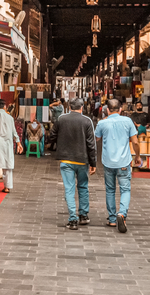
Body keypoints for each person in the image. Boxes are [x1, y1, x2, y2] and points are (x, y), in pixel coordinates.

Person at [94, 98, 141, 233]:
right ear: (120, 109)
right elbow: (135, 142)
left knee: (110, 190)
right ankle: (122, 213)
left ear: (107, 110)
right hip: (124, 162)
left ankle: (112, 219)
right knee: (125, 189)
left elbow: (96, 138)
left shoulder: (102, 123)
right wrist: (137, 156)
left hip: (108, 162)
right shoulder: (127, 121)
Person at [52, 97, 97, 231]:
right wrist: (93, 162)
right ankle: (83, 215)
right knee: (83, 187)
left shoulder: (61, 119)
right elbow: (91, 144)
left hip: (66, 160)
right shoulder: (87, 121)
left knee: (69, 189)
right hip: (82, 160)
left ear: (69, 107)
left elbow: (52, 135)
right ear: (82, 107)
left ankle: (72, 219)